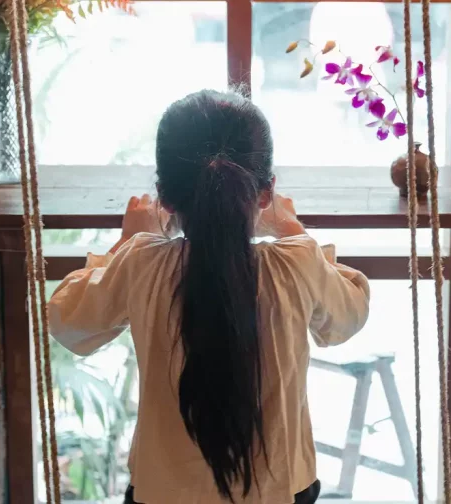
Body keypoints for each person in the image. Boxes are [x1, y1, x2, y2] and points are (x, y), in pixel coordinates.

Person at [48, 89, 371, 504]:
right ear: (266, 192)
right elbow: (348, 315)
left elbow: (69, 323)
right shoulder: (297, 262)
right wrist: (293, 229)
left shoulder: (140, 262)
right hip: (281, 491)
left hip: (162, 492)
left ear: (164, 198)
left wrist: (126, 240)